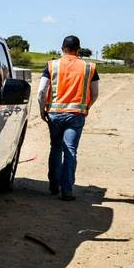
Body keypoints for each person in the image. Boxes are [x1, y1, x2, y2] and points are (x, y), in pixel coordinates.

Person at [38, 35, 98, 201]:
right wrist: (86, 107)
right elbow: (95, 93)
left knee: (56, 148)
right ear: (78, 49)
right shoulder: (89, 67)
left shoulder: (52, 65)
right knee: (70, 150)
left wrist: (42, 109)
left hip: (54, 114)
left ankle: (53, 186)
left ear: (62, 48)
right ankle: (67, 190)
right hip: (77, 115)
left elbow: (42, 90)